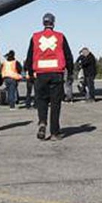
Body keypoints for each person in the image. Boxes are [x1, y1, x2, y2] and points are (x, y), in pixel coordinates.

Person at [26, 13, 74, 141]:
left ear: (43, 23)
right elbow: (68, 56)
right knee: (55, 103)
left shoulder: (35, 37)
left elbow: (29, 57)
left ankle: (42, 122)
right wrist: (70, 72)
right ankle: (54, 132)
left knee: (41, 100)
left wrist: (30, 74)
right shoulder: (60, 37)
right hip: (56, 73)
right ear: (53, 23)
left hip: (40, 74)